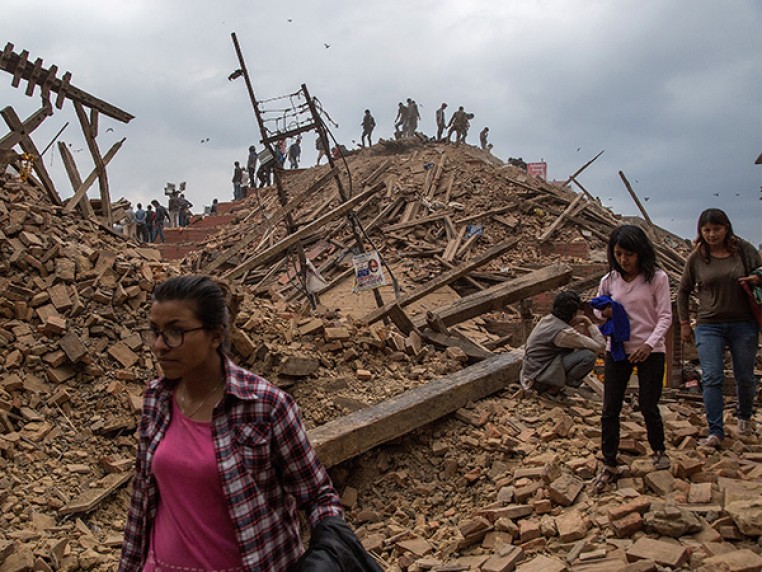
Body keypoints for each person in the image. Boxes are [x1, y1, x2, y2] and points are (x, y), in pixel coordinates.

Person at [118, 275, 375, 572]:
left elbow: (319, 496)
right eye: (155, 331)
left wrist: (326, 556)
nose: (159, 345)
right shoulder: (157, 399)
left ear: (216, 336)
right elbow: (142, 503)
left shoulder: (265, 406)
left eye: (176, 332)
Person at [592, 225, 672, 491]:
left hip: (650, 350)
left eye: (629, 254)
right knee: (610, 408)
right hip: (617, 350)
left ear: (640, 252)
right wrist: (605, 313)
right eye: (618, 254)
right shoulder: (610, 280)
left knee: (648, 404)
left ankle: (658, 449)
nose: (624, 260)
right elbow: (597, 308)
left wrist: (649, 345)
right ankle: (609, 461)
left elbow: (665, 317)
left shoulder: (657, 278)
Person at [677, 208, 762, 447]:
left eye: (716, 229)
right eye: (707, 230)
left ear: (726, 228)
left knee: (744, 376)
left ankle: (744, 417)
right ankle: (715, 431)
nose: (712, 235)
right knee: (712, 376)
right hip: (709, 325)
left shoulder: (743, 250)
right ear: (700, 232)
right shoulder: (697, 258)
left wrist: (756, 279)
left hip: (743, 323)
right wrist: (684, 323)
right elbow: (683, 291)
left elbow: (761, 270)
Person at [521, 291, 605, 395]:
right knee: (588, 356)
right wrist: (587, 321)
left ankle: (554, 386)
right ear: (574, 314)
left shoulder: (547, 319)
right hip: (539, 377)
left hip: (530, 373)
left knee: (575, 349)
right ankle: (559, 388)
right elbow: (600, 346)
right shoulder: (564, 333)